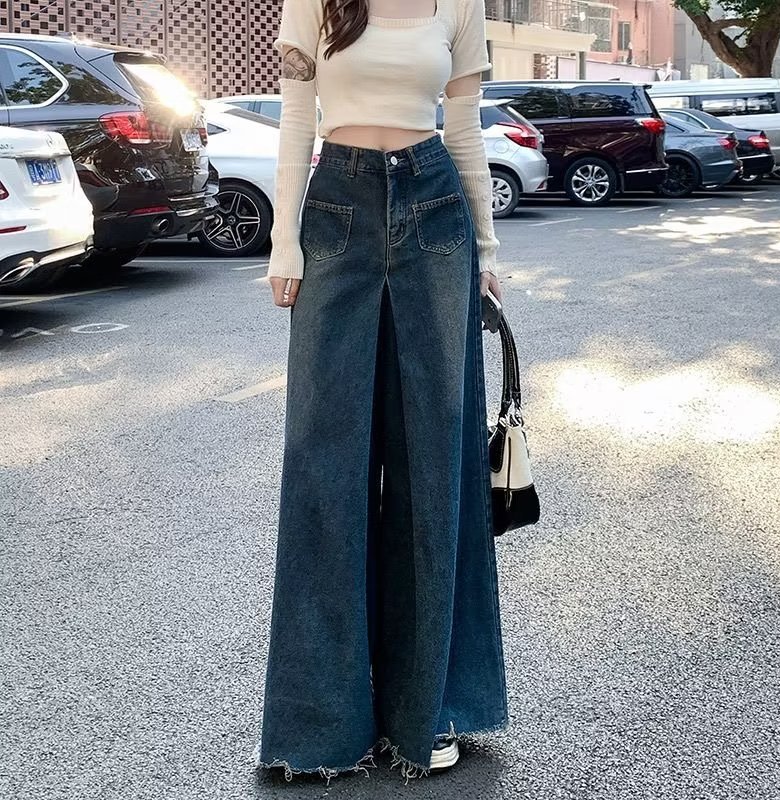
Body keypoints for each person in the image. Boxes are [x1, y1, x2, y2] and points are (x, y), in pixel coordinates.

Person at [255, 0, 508, 782]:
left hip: (436, 210)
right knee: (322, 461)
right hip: (337, 206)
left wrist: (487, 248)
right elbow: (296, 116)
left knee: (434, 462)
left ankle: (427, 709)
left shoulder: (460, 5)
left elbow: (463, 129)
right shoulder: (314, 2)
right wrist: (284, 238)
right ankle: (321, 722)